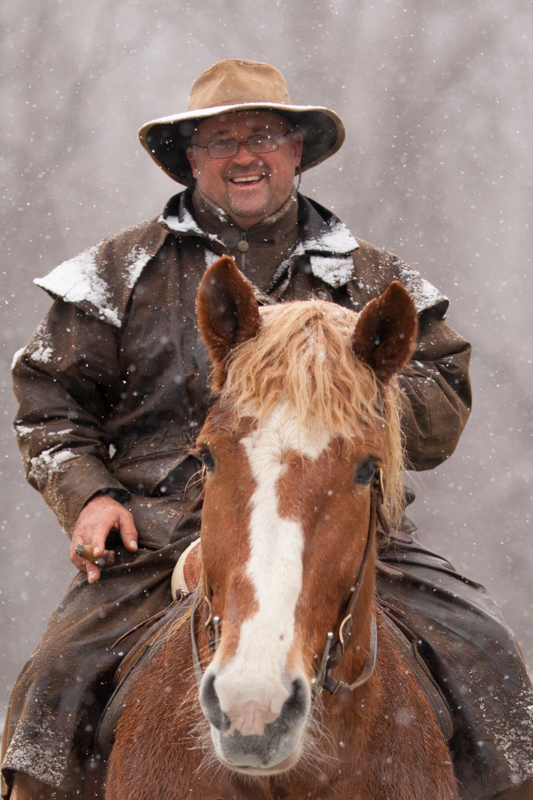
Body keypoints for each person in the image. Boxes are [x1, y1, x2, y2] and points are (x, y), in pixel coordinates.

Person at [2, 58, 532, 800]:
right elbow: (49, 399)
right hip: (154, 536)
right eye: (220, 141)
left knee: (492, 659)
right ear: (191, 159)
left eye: (262, 136)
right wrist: (90, 495)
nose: (243, 156)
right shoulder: (118, 274)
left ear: (295, 150)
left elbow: (442, 406)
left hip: (345, 531)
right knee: (54, 683)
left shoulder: (373, 277)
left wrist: (347, 398)